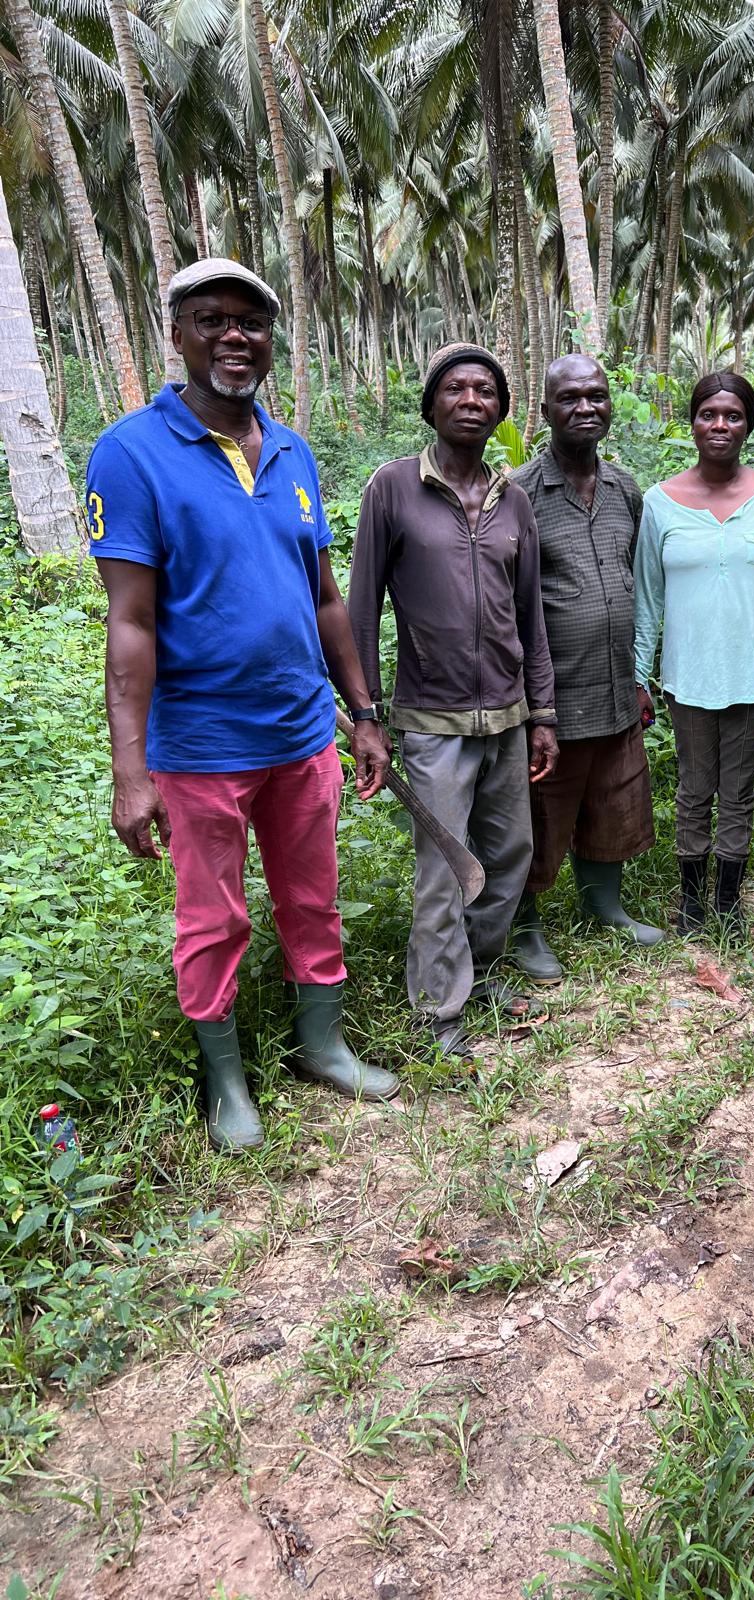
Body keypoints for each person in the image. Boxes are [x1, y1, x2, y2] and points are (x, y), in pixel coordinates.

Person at [85, 257, 399, 1153]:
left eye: (252, 322)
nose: (235, 336)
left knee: (313, 895)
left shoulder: (292, 448)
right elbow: (132, 622)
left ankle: (321, 1044)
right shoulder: (133, 451)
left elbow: (326, 598)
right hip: (200, 746)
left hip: (301, 734)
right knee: (213, 915)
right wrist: (129, 768)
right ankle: (225, 1081)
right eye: (212, 319)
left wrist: (364, 712)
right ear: (177, 334)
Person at [348, 343, 559, 1056]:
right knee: (444, 866)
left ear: (501, 410)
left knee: (510, 854)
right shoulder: (394, 488)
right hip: (431, 721)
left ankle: (481, 968)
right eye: (456, 389)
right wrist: (365, 716)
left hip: (508, 713)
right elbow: (360, 607)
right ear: (432, 404)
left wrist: (543, 713)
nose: (472, 400)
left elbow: (530, 615)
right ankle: (440, 1011)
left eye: (486, 392)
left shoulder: (514, 501)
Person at [507, 355, 664, 982]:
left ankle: (606, 906)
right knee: (540, 809)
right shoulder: (518, 492)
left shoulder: (626, 489)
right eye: (569, 399)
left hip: (616, 683)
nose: (586, 408)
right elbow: (506, 597)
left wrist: (642, 672)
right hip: (552, 690)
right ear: (544, 411)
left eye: (596, 397)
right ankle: (524, 928)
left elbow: (635, 578)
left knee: (615, 798)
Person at [634, 371, 754, 932]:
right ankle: (691, 903)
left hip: (752, 673)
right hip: (688, 674)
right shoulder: (659, 502)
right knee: (693, 786)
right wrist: (641, 676)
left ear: (749, 424)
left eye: (733, 415)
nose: (720, 425)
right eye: (710, 414)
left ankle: (728, 902)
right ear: (693, 422)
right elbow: (648, 599)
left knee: (739, 789)